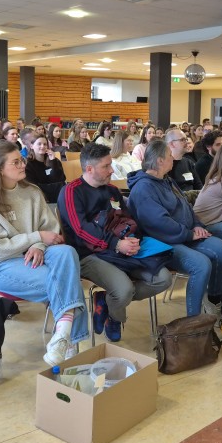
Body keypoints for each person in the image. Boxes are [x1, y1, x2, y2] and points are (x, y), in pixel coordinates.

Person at [0, 141, 87, 366]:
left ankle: (62, 335)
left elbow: (51, 228)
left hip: (36, 253)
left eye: (21, 160)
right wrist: (36, 238)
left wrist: (39, 245)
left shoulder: (32, 192)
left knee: (66, 252)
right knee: (66, 282)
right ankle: (68, 339)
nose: (22, 164)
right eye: (15, 162)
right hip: (2, 264)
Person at [58, 143, 173, 342]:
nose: (112, 170)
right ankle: (114, 316)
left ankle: (106, 300)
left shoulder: (112, 190)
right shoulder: (71, 192)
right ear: (89, 169)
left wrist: (131, 239)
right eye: (106, 166)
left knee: (163, 279)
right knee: (124, 290)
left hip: (122, 250)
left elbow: (127, 218)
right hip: (89, 254)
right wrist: (116, 244)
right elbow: (81, 229)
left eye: (111, 164)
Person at [128, 140, 222, 317]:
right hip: (162, 242)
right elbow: (159, 224)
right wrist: (190, 234)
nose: (173, 159)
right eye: (169, 156)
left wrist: (197, 225)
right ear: (159, 161)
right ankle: (193, 320)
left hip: (183, 234)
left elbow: (187, 207)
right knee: (201, 264)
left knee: (221, 248)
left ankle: (213, 300)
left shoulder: (167, 180)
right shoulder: (143, 188)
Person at [24, 133, 66, 205]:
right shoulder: (28, 164)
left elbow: (61, 179)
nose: (42, 146)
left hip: (56, 195)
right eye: (39, 144)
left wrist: (53, 161)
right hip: (40, 197)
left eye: (45, 144)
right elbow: (33, 186)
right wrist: (55, 186)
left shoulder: (53, 160)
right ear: (31, 146)